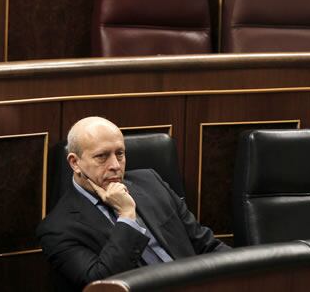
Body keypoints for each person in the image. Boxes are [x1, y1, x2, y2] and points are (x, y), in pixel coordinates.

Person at [36, 116, 230, 290]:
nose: (115, 166)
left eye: (120, 154)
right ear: (74, 163)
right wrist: (127, 216)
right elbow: (102, 283)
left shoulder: (151, 182)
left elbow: (206, 244)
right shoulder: (58, 228)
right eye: (102, 156)